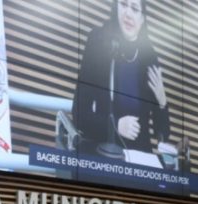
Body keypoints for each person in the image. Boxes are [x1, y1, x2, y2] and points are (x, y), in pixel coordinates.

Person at [72, 0, 171, 155]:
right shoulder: (98, 41)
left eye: (135, 9)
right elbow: (79, 115)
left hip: (139, 156)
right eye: (123, 4)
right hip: (103, 151)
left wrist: (162, 102)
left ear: (142, 19)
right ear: (115, 8)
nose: (128, 14)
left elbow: (163, 134)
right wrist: (115, 126)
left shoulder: (149, 57)